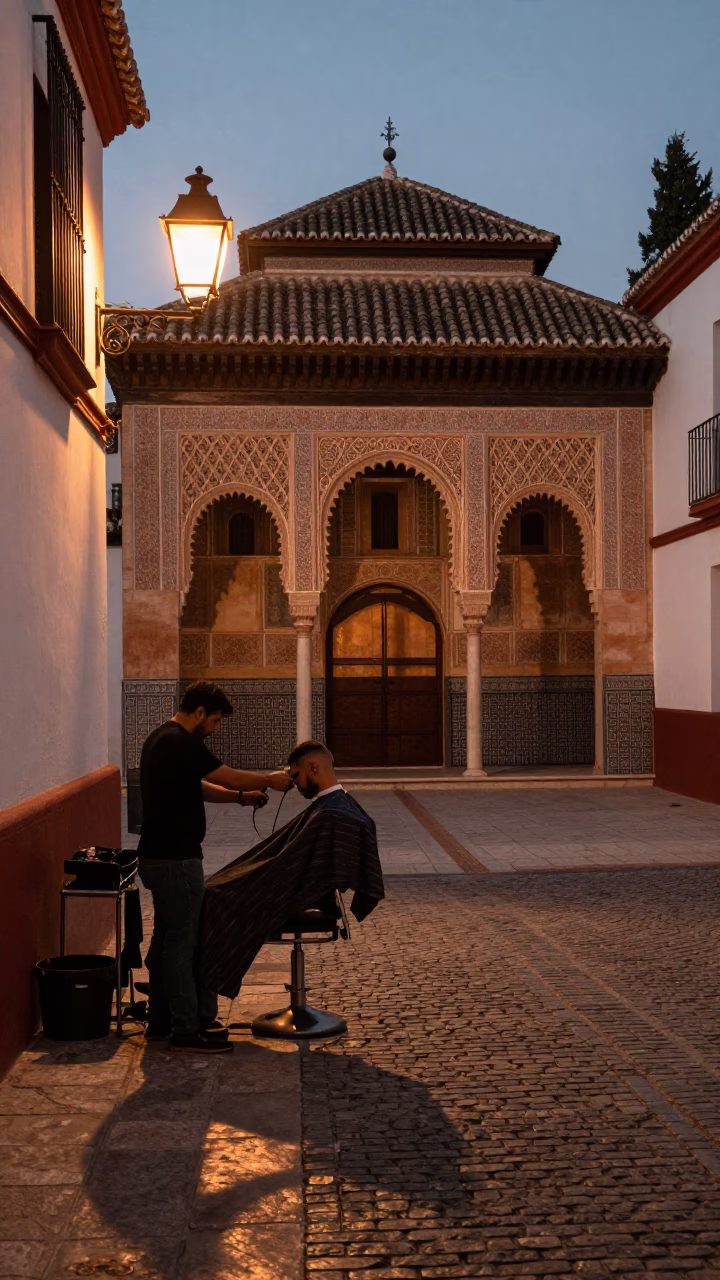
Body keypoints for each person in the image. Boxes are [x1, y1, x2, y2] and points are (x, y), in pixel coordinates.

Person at [137, 680, 292, 1053]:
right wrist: (270, 779)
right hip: (176, 860)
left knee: (164, 940)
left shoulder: (160, 737)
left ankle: (159, 1022)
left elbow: (200, 787)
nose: (216, 728)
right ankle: (187, 1030)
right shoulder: (180, 742)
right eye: (217, 720)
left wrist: (239, 798)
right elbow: (224, 774)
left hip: (156, 857)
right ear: (201, 712)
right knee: (180, 944)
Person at [198, 741, 385, 1000]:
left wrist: (235, 884)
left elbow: (288, 870)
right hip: (299, 888)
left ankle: (195, 995)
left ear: (313, 767)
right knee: (214, 888)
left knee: (214, 898)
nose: (294, 783)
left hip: (293, 893)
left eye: (295, 775)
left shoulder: (331, 814)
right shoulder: (335, 806)